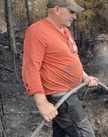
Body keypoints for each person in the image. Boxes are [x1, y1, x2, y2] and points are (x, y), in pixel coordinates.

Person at [22, 0, 98, 136]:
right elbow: (30, 69)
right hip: (62, 98)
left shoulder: (65, 30)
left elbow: (69, 58)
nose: (74, 16)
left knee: (61, 133)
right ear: (57, 10)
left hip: (70, 93)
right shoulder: (37, 32)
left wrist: (85, 77)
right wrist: (42, 103)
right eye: (71, 12)